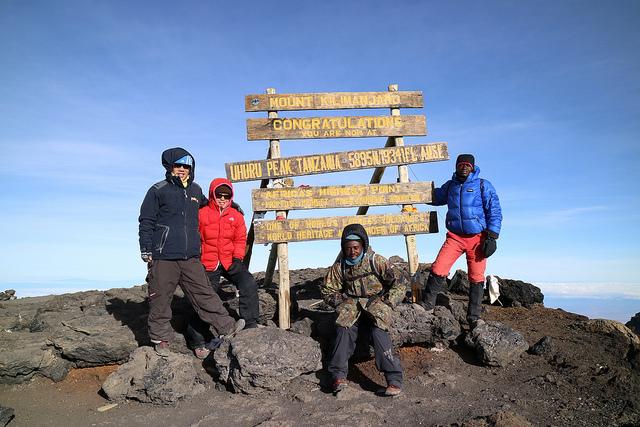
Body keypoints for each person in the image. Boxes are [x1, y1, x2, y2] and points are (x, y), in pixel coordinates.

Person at [138, 147, 244, 357]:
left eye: (187, 166)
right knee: (160, 298)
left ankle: (227, 327)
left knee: (204, 293)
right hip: (164, 256)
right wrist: (146, 249)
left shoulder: (195, 190)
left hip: (190, 256)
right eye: (178, 165)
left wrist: (233, 207)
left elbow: (209, 205)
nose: (182, 169)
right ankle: (161, 340)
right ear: (169, 167)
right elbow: (146, 220)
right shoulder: (158, 190)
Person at [321, 223, 406, 396]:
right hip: (352, 307)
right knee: (343, 330)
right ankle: (338, 377)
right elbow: (327, 290)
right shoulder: (340, 267)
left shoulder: (377, 261)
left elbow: (400, 284)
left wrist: (388, 303)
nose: (352, 252)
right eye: (348, 248)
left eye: (356, 247)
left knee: (379, 333)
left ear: (363, 245)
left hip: (376, 306)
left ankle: (394, 379)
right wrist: (342, 303)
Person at [421, 154, 502, 327]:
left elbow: (494, 210)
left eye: (467, 165)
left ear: (473, 167)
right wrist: (411, 189)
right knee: (438, 268)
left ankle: (473, 317)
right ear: (456, 166)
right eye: (461, 165)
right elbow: (435, 197)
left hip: (477, 239)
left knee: (476, 276)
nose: (464, 167)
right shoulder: (451, 186)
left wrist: (493, 236)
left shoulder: (482, 185)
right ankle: (426, 306)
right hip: (455, 237)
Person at [185, 178, 260, 359]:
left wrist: (237, 257)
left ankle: (250, 323)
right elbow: (194, 237)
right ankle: (198, 340)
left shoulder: (236, 214)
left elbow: (241, 239)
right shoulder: (201, 213)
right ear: (212, 194)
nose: (223, 198)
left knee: (248, 283)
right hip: (208, 262)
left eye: (227, 195)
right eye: (219, 195)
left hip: (229, 260)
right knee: (204, 297)